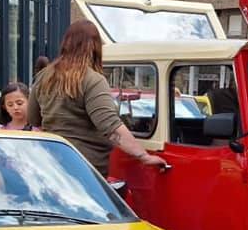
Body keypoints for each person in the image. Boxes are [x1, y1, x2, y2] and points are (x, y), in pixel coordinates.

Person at [28, 20, 168, 175]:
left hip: (52, 161)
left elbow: (33, 118)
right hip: (85, 167)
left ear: (66, 44)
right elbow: (112, 128)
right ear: (94, 46)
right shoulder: (92, 79)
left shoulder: (43, 77)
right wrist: (144, 156)